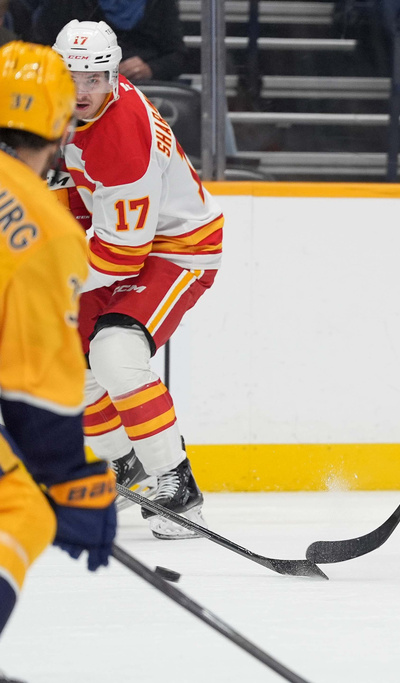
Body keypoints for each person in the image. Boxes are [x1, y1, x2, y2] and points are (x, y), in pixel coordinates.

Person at [50, 19, 222, 539]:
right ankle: (123, 464)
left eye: (94, 79)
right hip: (113, 236)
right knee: (68, 356)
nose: (81, 92)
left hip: (177, 248)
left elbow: (124, 255)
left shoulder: (123, 140)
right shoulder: (56, 99)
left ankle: (178, 485)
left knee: (115, 356)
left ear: (114, 73)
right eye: (71, 77)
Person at [0, 40, 116, 647]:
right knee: (19, 506)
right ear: (61, 122)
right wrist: (72, 482)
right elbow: (33, 388)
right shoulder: (44, 227)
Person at [31, 0, 186, 82]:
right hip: (78, 85)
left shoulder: (160, 2)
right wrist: (83, 66)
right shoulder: (65, 3)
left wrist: (150, 69)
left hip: (143, 89)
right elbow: (43, 50)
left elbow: (178, 56)